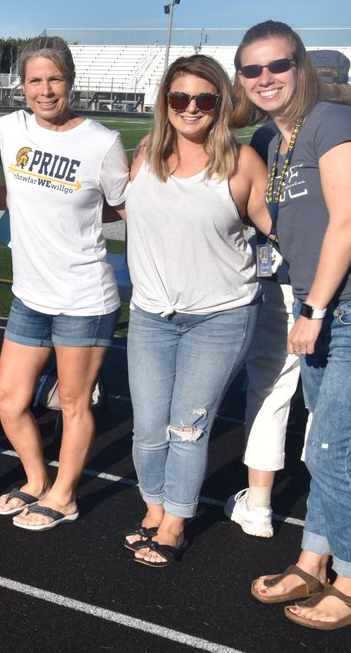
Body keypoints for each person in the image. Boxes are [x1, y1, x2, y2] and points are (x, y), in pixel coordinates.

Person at [236, 21, 351, 631]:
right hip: (326, 309)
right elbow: (287, 223)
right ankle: (314, 559)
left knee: (329, 450)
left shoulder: (334, 123)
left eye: (278, 66)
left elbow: (347, 224)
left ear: (301, 66)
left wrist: (311, 309)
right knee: (325, 448)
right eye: (253, 70)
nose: (266, 79)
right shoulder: (277, 139)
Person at [123, 54, 270, 567]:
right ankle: (155, 506)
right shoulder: (144, 155)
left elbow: (281, 229)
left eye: (204, 99)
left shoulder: (243, 163)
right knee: (147, 426)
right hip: (150, 316)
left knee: (187, 427)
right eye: (179, 98)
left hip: (221, 316)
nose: (191, 108)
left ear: (220, 104)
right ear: (165, 102)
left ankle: (176, 524)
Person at [0, 36, 129, 531]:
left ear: (69, 81)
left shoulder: (101, 143)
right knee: (9, 397)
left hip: (84, 296)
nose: (45, 90)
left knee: (73, 402)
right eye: (35, 80)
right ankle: (33, 480)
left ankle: (64, 495)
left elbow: (126, 205)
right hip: (30, 295)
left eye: (54, 79)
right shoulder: (10, 128)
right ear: (22, 86)